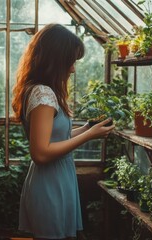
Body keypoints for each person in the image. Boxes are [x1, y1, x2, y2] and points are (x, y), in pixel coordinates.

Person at [11, 24, 115, 240]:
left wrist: (87, 128)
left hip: (58, 179)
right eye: (71, 61)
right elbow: (40, 153)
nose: (73, 69)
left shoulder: (46, 91)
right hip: (49, 184)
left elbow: (57, 138)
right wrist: (89, 135)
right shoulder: (43, 94)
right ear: (56, 59)